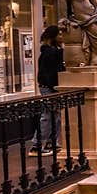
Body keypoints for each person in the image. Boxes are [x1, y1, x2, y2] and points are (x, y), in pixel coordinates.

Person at [30, 26, 65, 155]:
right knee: (48, 115)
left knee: (55, 116)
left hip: (50, 87)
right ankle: (37, 146)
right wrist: (55, 87)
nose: (62, 37)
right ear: (53, 37)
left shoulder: (53, 51)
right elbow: (51, 73)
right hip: (49, 88)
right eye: (60, 35)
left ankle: (52, 143)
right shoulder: (50, 53)